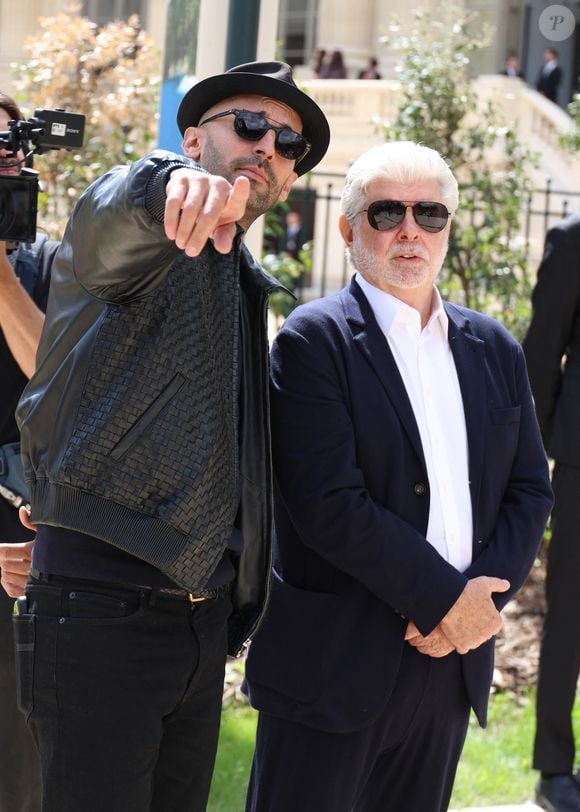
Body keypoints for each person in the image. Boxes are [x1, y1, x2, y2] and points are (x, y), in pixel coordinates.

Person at [10, 61, 330, 812]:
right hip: (102, 613)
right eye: (249, 125)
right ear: (193, 138)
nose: (268, 147)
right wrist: (165, 184)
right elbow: (111, 214)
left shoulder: (241, 276)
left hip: (197, 624)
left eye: (288, 143)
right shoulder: (150, 230)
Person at [243, 140, 553, 812]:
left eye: (430, 215)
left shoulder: (493, 346)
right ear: (349, 228)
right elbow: (329, 504)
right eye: (387, 213)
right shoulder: (310, 341)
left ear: (448, 228)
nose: (410, 230)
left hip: (449, 667)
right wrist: (447, 601)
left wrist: (477, 607)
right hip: (334, 665)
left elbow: (530, 488)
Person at [0, 90, 59, 812]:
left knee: (25, 774)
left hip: (31, 554)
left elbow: (59, 380)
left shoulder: (54, 266)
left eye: (13, 144)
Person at [523, 213, 580, 812]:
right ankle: (554, 769)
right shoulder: (572, 239)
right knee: (570, 618)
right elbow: (541, 358)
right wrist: (529, 474)